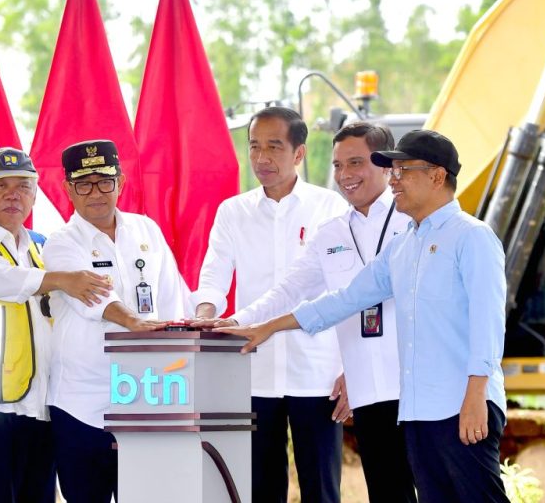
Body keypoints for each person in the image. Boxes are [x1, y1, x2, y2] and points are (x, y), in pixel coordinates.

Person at [219, 129, 509, 503]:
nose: (395, 180)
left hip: (462, 404)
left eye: (404, 171)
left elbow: (488, 323)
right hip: (418, 410)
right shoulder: (404, 246)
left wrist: (476, 395)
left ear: (437, 176)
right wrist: (267, 327)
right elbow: (345, 299)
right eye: (393, 171)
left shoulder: (472, 236)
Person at [199, 122, 416, 502]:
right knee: (383, 486)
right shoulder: (335, 228)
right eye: (338, 165)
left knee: (419, 484)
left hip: (379, 378)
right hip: (276, 371)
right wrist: (237, 321)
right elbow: (291, 289)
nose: (346, 175)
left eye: (355, 163)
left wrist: (347, 367)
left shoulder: (410, 220)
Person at [0, 147, 113, 503]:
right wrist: (65, 278)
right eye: (1, 185)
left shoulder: (40, 247)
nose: (13, 194)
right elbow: (9, 281)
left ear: (35, 193)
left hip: (39, 404)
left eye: (24, 186)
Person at [189, 106, 348, 503]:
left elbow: (348, 292)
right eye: (254, 146)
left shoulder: (330, 209)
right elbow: (213, 276)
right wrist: (206, 314)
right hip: (253, 369)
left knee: (321, 487)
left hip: (318, 370)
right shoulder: (233, 211)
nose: (262, 158)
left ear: (299, 153)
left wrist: (349, 366)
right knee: (260, 487)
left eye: (274, 147)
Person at [43, 139, 189, 503]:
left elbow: (172, 300)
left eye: (105, 181)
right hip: (81, 404)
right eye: (83, 184)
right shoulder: (60, 243)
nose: (96, 193)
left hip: (146, 398)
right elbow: (92, 297)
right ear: (68, 190)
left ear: (121, 182)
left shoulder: (146, 231)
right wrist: (134, 321)